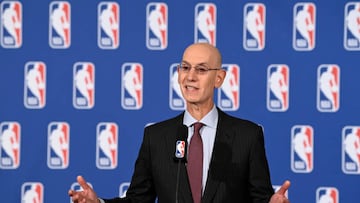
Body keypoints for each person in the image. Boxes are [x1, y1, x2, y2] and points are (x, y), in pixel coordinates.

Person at [69, 42, 291, 203]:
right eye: (185, 67)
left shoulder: (247, 135)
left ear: (219, 78)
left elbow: (259, 198)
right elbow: (138, 199)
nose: (190, 76)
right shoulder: (156, 136)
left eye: (201, 69)